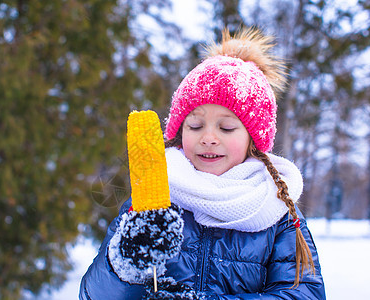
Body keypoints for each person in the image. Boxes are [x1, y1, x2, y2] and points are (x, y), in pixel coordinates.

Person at [80, 27, 326, 299]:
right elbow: (93, 294)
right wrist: (124, 266)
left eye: (227, 128)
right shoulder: (153, 202)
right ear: (179, 132)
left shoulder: (278, 212)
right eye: (195, 125)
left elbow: (304, 294)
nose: (208, 138)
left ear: (253, 141)